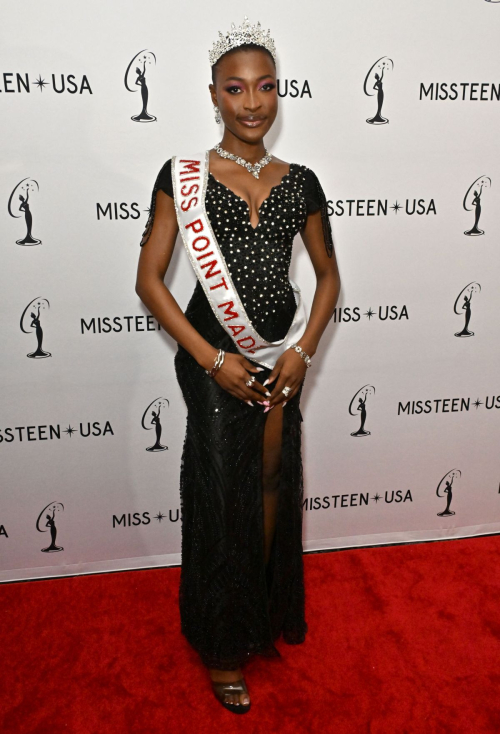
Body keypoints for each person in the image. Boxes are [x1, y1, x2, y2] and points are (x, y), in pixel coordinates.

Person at [135, 16, 341, 714]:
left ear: (278, 93)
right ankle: (222, 642)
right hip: (210, 358)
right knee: (224, 491)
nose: (253, 103)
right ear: (215, 95)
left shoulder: (301, 181)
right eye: (236, 88)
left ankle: (256, 612)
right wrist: (212, 358)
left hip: (279, 360)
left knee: (272, 484)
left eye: (266, 88)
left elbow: (328, 279)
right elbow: (151, 282)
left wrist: (303, 353)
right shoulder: (183, 177)